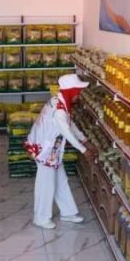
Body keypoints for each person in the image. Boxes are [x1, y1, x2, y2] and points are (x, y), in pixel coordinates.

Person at [25, 74, 95, 229]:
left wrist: (84, 139)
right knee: (45, 184)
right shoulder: (59, 110)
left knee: (60, 180)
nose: (79, 95)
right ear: (71, 91)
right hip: (45, 150)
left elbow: (69, 124)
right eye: (78, 91)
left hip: (52, 150)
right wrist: (84, 150)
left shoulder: (60, 101)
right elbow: (67, 132)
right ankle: (41, 218)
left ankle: (68, 212)